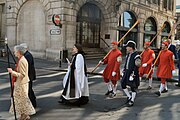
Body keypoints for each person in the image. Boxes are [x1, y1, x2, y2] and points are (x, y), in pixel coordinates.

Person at [7, 45, 35, 120]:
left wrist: (12, 72)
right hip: (22, 83)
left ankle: (25, 115)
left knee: (22, 100)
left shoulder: (22, 61)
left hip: (21, 84)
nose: (14, 53)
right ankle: (24, 115)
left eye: (15, 51)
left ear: (19, 52)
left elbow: (22, 75)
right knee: (21, 100)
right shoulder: (21, 59)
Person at [121, 40, 141, 107]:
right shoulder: (128, 54)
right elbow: (126, 63)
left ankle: (132, 100)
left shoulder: (136, 56)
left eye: (127, 46)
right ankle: (129, 96)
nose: (126, 48)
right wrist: (123, 70)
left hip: (132, 74)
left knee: (133, 87)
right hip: (126, 72)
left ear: (131, 47)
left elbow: (137, 65)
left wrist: (133, 74)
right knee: (123, 84)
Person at [20, 43, 36, 108]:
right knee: (29, 89)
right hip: (29, 75)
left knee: (28, 90)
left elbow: (27, 66)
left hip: (29, 75)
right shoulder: (26, 54)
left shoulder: (27, 55)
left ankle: (32, 103)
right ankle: (32, 102)